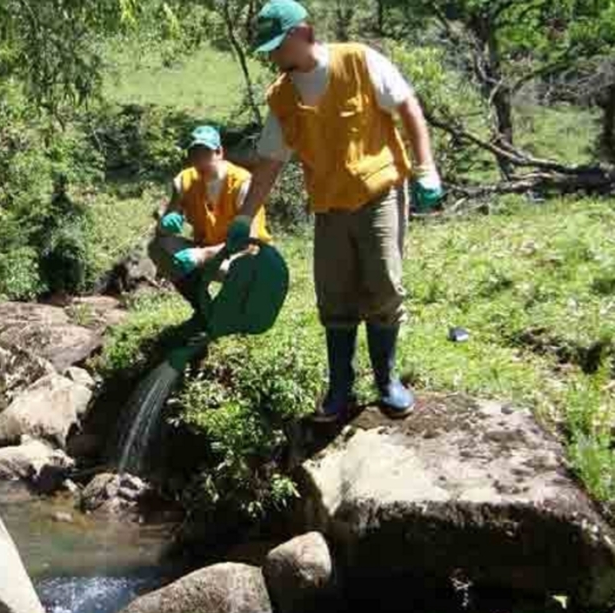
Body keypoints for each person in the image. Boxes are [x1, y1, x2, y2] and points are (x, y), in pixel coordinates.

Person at [226, 0, 444, 421]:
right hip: (328, 205)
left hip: (378, 192)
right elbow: (270, 164)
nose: (272, 57)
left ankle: (386, 381)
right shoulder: (283, 97)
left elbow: (408, 108)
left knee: (382, 284)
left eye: (277, 46)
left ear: (303, 34)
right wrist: (244, 216)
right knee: (334, 295)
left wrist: (426, 168)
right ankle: (340, 390)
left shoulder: (360, 61)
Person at [150, 125, 272, 317]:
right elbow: (163, 231)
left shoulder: (241, 182)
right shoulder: (185, 181)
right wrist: (164, 224)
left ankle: (240, 312)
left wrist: (201, 255)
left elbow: (249, 243)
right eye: (195, 152)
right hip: (206, 247)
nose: (200, 158)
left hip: (245, 257)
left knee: (236, 270)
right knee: (158, 248)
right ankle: (203, 307)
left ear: (219, 152)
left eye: (205, 151)